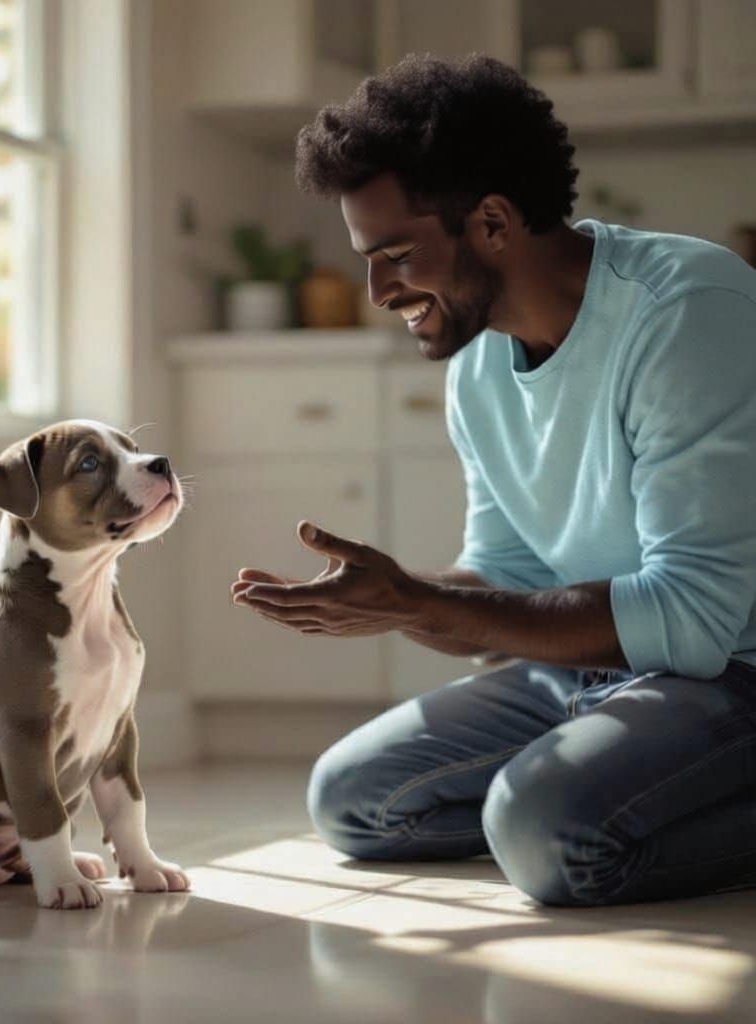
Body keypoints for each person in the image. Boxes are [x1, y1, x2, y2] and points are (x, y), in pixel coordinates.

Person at [231, 54, 756, 907]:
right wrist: (395, 600)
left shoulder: (686, 310)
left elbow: (692, 622)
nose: (377, 290)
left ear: (494, 222)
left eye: (397, 253)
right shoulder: (477, 368)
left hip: (732, 669)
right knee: (355, 799)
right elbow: (508, 581)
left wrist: (424, 604)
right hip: (597, 665)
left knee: (542, 830)